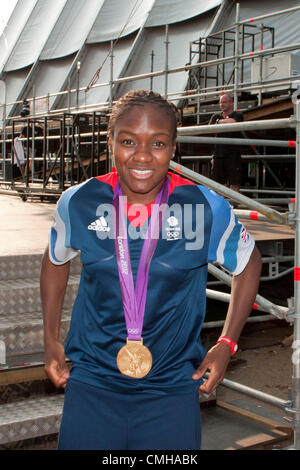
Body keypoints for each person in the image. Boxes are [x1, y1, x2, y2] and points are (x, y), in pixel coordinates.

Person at [40, 89, 262, 450]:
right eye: (128, 141)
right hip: (93, 382)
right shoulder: (79, 202)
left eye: (157, 143)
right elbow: (54, 259)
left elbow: (250, 261)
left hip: (171, 387)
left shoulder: (204, 208)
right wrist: (50, 337)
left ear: (174, 147)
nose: (142, 156)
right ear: (110, 141)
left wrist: (227, 342)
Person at [209, 93, 244, 192]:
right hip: (218, 154)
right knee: (218, 183)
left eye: (224, 102)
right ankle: (221, 206)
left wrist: (219, 123)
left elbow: (234, 122)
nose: (222, 104)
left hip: (233, 155)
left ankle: (233, 204)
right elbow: (210, 129)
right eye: (220, 102)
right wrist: (224, 122)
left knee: (234, 182)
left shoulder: (238, 114)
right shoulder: (215, 116)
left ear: (231, 103)